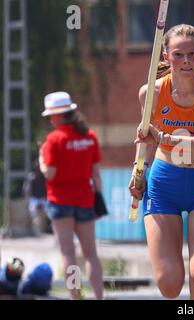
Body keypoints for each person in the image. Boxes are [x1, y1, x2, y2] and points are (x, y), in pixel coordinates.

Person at [129, 24, 194, 300]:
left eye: (191, 54)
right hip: (164, 184)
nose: (186, 61)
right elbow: (144, 141)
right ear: (165, 57)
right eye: (178, 55)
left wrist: (164, 137)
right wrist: (137, 173)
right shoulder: (149, 93)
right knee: (170, 284)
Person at [39, 91, 103, 300]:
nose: (50, 120)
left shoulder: (54, 139)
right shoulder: (90, 136)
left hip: (60, 202)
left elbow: (50, 173)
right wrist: (99, 198)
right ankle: (99, 296)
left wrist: (41, 159)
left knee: (68, 254)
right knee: (91, 254)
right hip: (85, 200)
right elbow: (96, 173)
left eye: (51, 116)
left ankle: (76, 296)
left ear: (58, 116)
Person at [22, 158, 51, 235]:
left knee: (50, 211)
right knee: (32, 210)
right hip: (34, 199)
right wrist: (26, 198)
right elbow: (26, 190)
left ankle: (48, 227)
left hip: (44, 198)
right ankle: (33, 227)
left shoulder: (46, 177)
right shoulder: (31, 177)